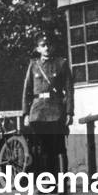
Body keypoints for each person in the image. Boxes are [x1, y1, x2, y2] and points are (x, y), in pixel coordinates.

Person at [21, 32, 74, 180]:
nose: (47, 48)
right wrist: (25, 113)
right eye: (43, 45)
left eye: (49, 45)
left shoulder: (61, 64)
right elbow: (27, 90)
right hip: (38, 111)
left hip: (56, 110)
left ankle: (62, 182)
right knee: (42, 148)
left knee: (59, 147)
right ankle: (46, 182)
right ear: (38, 48)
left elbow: (69, 90)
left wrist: (69, 112)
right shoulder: (33, 65)